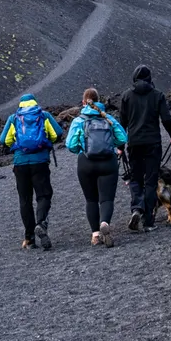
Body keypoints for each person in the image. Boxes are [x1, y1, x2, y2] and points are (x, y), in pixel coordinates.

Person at [64, 87, 128, 247]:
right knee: (106, 199)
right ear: (99, 100)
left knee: (91, 199)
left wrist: (82, 149)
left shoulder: (79, 120)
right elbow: (123, 138)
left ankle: (95, 234)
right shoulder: (108, 118)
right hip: (108, 162)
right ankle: (104, 222)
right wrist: (112, 145)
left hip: (86, 163)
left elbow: (70, 145)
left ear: (84, 102)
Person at [0, 93, 64, 250]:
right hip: (40, 162)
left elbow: (4, 140)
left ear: (21, 105)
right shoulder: (44, 115)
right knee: (43, 195)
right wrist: (46, 143)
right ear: (35, 102)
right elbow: (57, 134)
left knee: (25, 199)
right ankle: (41, 223)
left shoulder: (14, 118)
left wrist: (17, 145)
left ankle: (29, 239)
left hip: (20, 163)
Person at [119, 64, 171, 231]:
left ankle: (137, 208)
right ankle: (148, 221)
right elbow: (166, 118)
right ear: (150, 79)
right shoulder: (157, 95)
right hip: (153, 144)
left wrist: (120, 146)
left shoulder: (126, 96)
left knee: (136, 179)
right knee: (150, 182)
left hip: (134, 144)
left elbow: (121, 124)